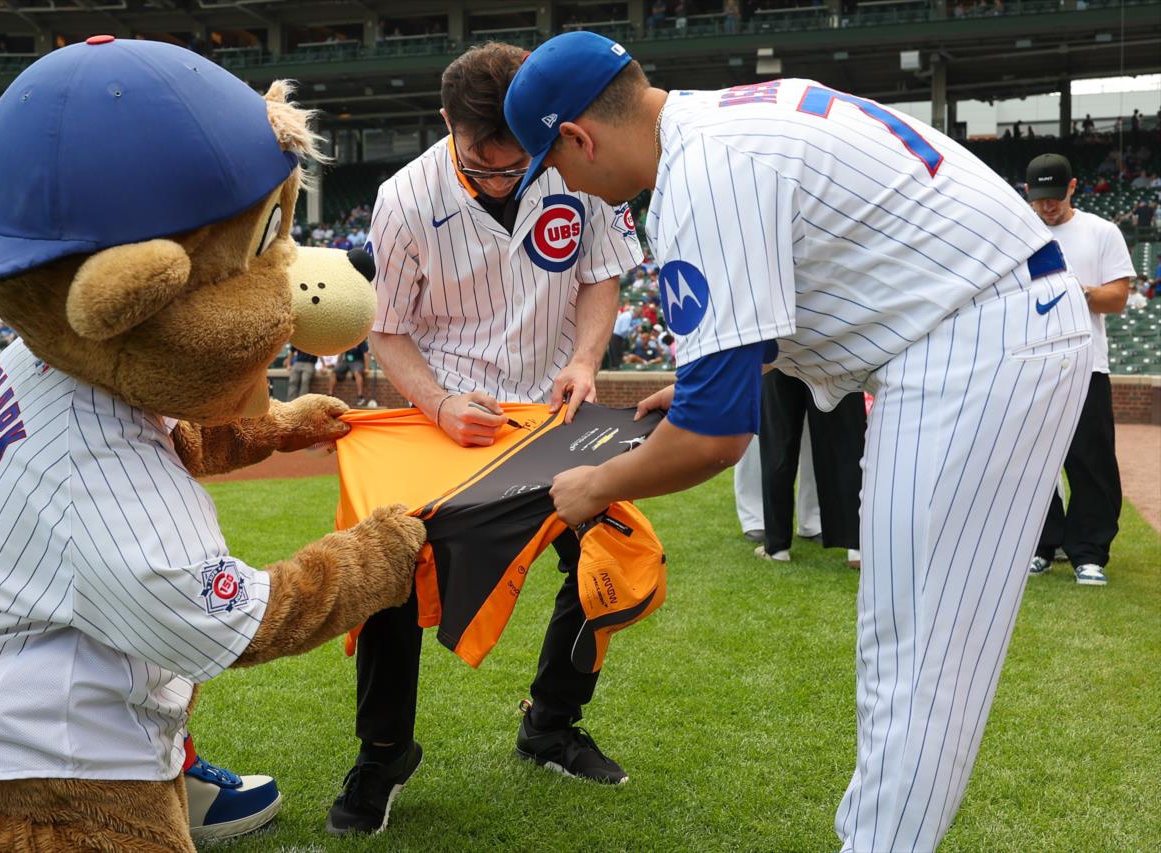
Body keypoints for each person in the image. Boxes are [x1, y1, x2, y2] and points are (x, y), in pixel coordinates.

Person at [506, 32, 1092, 852]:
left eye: (553, 163)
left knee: (920, 663)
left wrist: (598, 486)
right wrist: (732, 365)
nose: (563, 180)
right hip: (973, 322)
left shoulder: (702, 176)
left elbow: (713, 438)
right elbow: (831, 259)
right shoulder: (720, 121)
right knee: (901, 647)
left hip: (978, 341)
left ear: (578, 136)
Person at [324, 41, 642, 837]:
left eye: (515, 162)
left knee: (613, 555)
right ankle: (384, 749)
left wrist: (583, 358)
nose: (502, 177)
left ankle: (551, 721)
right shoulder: (401, 199)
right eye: (482, 163)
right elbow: (387, 332)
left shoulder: (572, 165)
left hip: (552, 412)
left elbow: (602, 272)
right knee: (393, 563)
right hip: (451, 420)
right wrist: (435, 402)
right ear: (445, 126)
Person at [1024, 154, 1135, 586]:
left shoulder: (1100, 231)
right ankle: (1040, 545)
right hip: (1033, 363)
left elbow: (1119, 298)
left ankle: (1089, 552)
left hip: (1087, 364)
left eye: (1054, 197)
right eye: (1039, 199)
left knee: (1091, 461)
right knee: (1031, 462)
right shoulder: (1022, 232)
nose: (1047, 207)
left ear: (1072, 187)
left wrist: (1078, 293)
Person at [754, 370, 863, 569]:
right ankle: (856, 546)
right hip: (834, 353)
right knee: (845, 445)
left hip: (782, 353)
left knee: (778, 445)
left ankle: (777, 547)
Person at [327, 339, 368, 406]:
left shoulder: (361, 340)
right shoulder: (347, 339)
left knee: (357, 373)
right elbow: (341, 353)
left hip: (358, 361)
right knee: (334, 372)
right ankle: (330, 395)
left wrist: (366, 368)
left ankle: (360, 396)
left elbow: (366, 354)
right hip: (346, 361)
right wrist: (337, 364)